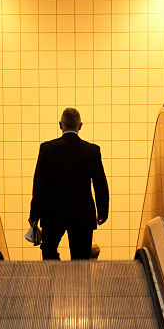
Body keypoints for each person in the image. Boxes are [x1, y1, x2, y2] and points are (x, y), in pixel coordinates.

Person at [29, 107, 109, 260]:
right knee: (81, 259)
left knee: (49, 254)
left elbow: (39, 185)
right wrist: (102, 211)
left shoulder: (47, 149)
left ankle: (54, 281)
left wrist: (34, 215)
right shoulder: (92, 151)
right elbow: (100, 184)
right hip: (82, 214)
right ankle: (78, 283)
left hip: (52, 213)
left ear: (60, 125)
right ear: (80, 126)